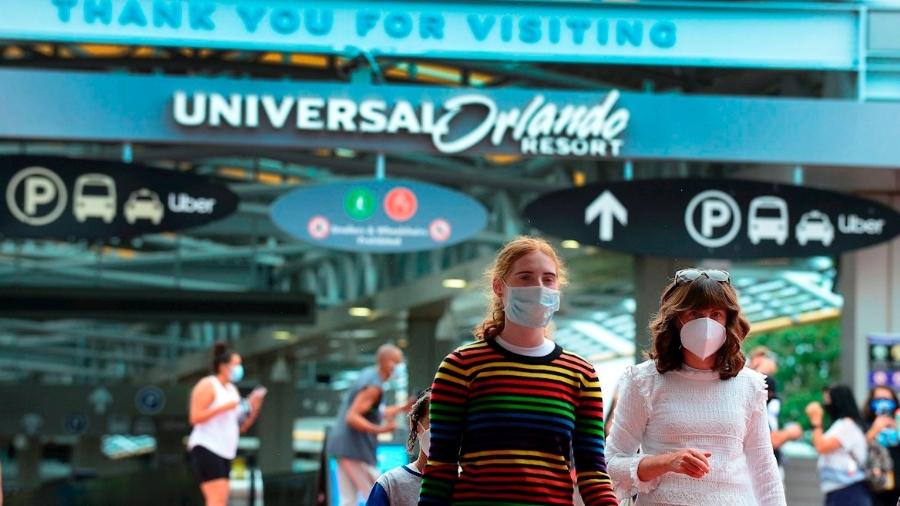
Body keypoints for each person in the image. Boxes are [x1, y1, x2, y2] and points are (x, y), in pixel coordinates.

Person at [418, 236, 617, 506]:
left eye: (548, 279)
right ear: (499, 287)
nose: (539, 287)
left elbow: (593, 471)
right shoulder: (461, 366)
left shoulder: (580, 374)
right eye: (525, 277)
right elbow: (441, 468)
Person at [606, 268, 785, 505]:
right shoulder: (643, 381)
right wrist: (666, 462)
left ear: (728, 320)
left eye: (715, 314)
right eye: (695, 314)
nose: (706, 323)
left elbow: (765, 472)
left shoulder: (749, 385)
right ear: (676, 319)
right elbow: (611, 464)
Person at [327, 344, 411, 506]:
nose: (401, 366)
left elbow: (373, 411)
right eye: (399, 362)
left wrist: (402, 408)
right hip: (355, 448)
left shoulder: (369, 375)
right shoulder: (374, 387)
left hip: (343, 447)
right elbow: (352, 417)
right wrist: (381, 429)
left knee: (348, 500)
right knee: (379, 496)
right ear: (388, 364)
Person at [188, 342, 266, 506]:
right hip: (207, 446)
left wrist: (254, 406)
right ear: (223, 366)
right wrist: (224, 407)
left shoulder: (231, 390)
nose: (239, 368)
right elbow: (195, 417)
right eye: (236, 364)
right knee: (216, 499)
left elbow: (241, 426)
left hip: (225, 451)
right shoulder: (208, 385)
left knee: (221, 499)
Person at [805, 385, 872, 506]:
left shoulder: (847, 425)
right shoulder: (840, 425)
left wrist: (816, 420)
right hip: (839, 490)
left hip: (848, 489)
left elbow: (821, 447)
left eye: (828, 400)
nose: (824, 404)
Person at [366, 388, 431, 506]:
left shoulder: (468, 484)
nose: (443, 432)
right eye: (433, 423)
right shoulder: (389, 485)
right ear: (415, 423)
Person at [863, 386, 900, 506]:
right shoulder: (864, 422)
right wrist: (875, 429)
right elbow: (858, 447)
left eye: (886, 399)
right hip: (873, 483)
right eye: (878, 399)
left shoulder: (898, 421)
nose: (883, 403)